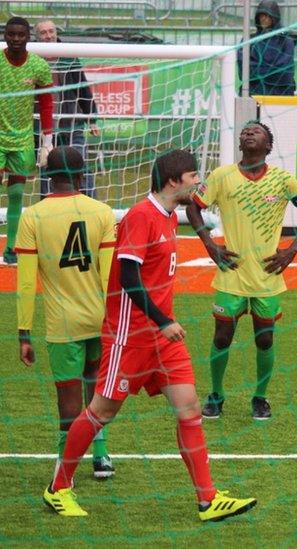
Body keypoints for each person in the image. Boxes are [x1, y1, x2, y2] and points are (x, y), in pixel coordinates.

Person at [43, 150, 257, 521]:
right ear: (174, 181)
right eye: (193, 175)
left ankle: (208, 500)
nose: (198, 182)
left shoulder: (169, 217)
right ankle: (58, 487)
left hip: (163, 339)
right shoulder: (141, 217)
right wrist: (161, 320)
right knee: (101, 411)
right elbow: (128, 279)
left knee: (190, 409)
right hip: (130, 336)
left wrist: (163, 324)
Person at [186, 122, 297, 421]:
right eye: (245, 131)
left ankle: (260, 397)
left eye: (256, 131)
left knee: (265, 339)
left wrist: (291, 249)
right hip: (231, 272)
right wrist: (210, 244)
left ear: (268, 146)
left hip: (267, 275)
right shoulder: (221, 176)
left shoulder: (284, 180)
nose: (248, 133)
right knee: (222, 337)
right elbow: (194, 207)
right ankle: (216, 395)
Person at [15, 147, 115, 479]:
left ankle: (64, 466)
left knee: (68, 401)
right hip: (100, 319)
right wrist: (113, 322)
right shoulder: (102, 212)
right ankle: (101, 456)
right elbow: (109, 274)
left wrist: (24, 332)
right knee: (96, 390)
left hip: (63, 325)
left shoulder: (32, 216)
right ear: (84, 175)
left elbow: (27, 282)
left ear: (48, 177)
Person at [1, 17, 54, 266]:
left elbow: (45, 103)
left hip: (22, 138)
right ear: (5, 35)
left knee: (17, 194)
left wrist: (47, 140)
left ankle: (11, 248)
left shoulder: (38, 66)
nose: (15, 39)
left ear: (28, 37)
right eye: (11, 34)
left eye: (20, 35)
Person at [35, 20, 100, 198]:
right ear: (36, 37)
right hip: (44, 128)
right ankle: (47, 209)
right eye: (43, 33)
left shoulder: (68, 56)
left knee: (81, 167)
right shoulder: (32, 58)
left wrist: (91, 118)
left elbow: (82, 87)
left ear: (56, 33)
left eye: (51, 31)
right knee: (47, 171)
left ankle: (92, 207)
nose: (48, 36)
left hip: (71, 123)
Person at [238, 0, 295, 96]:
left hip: (280, 94)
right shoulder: (248, 41)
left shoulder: (285, 41)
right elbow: (243, 72)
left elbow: (285, 74)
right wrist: (272, 70)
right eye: (262, 15)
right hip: (254, 93)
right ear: (257, 17)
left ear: (275, 18)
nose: (265, 19)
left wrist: (259, 71)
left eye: (269, 16)